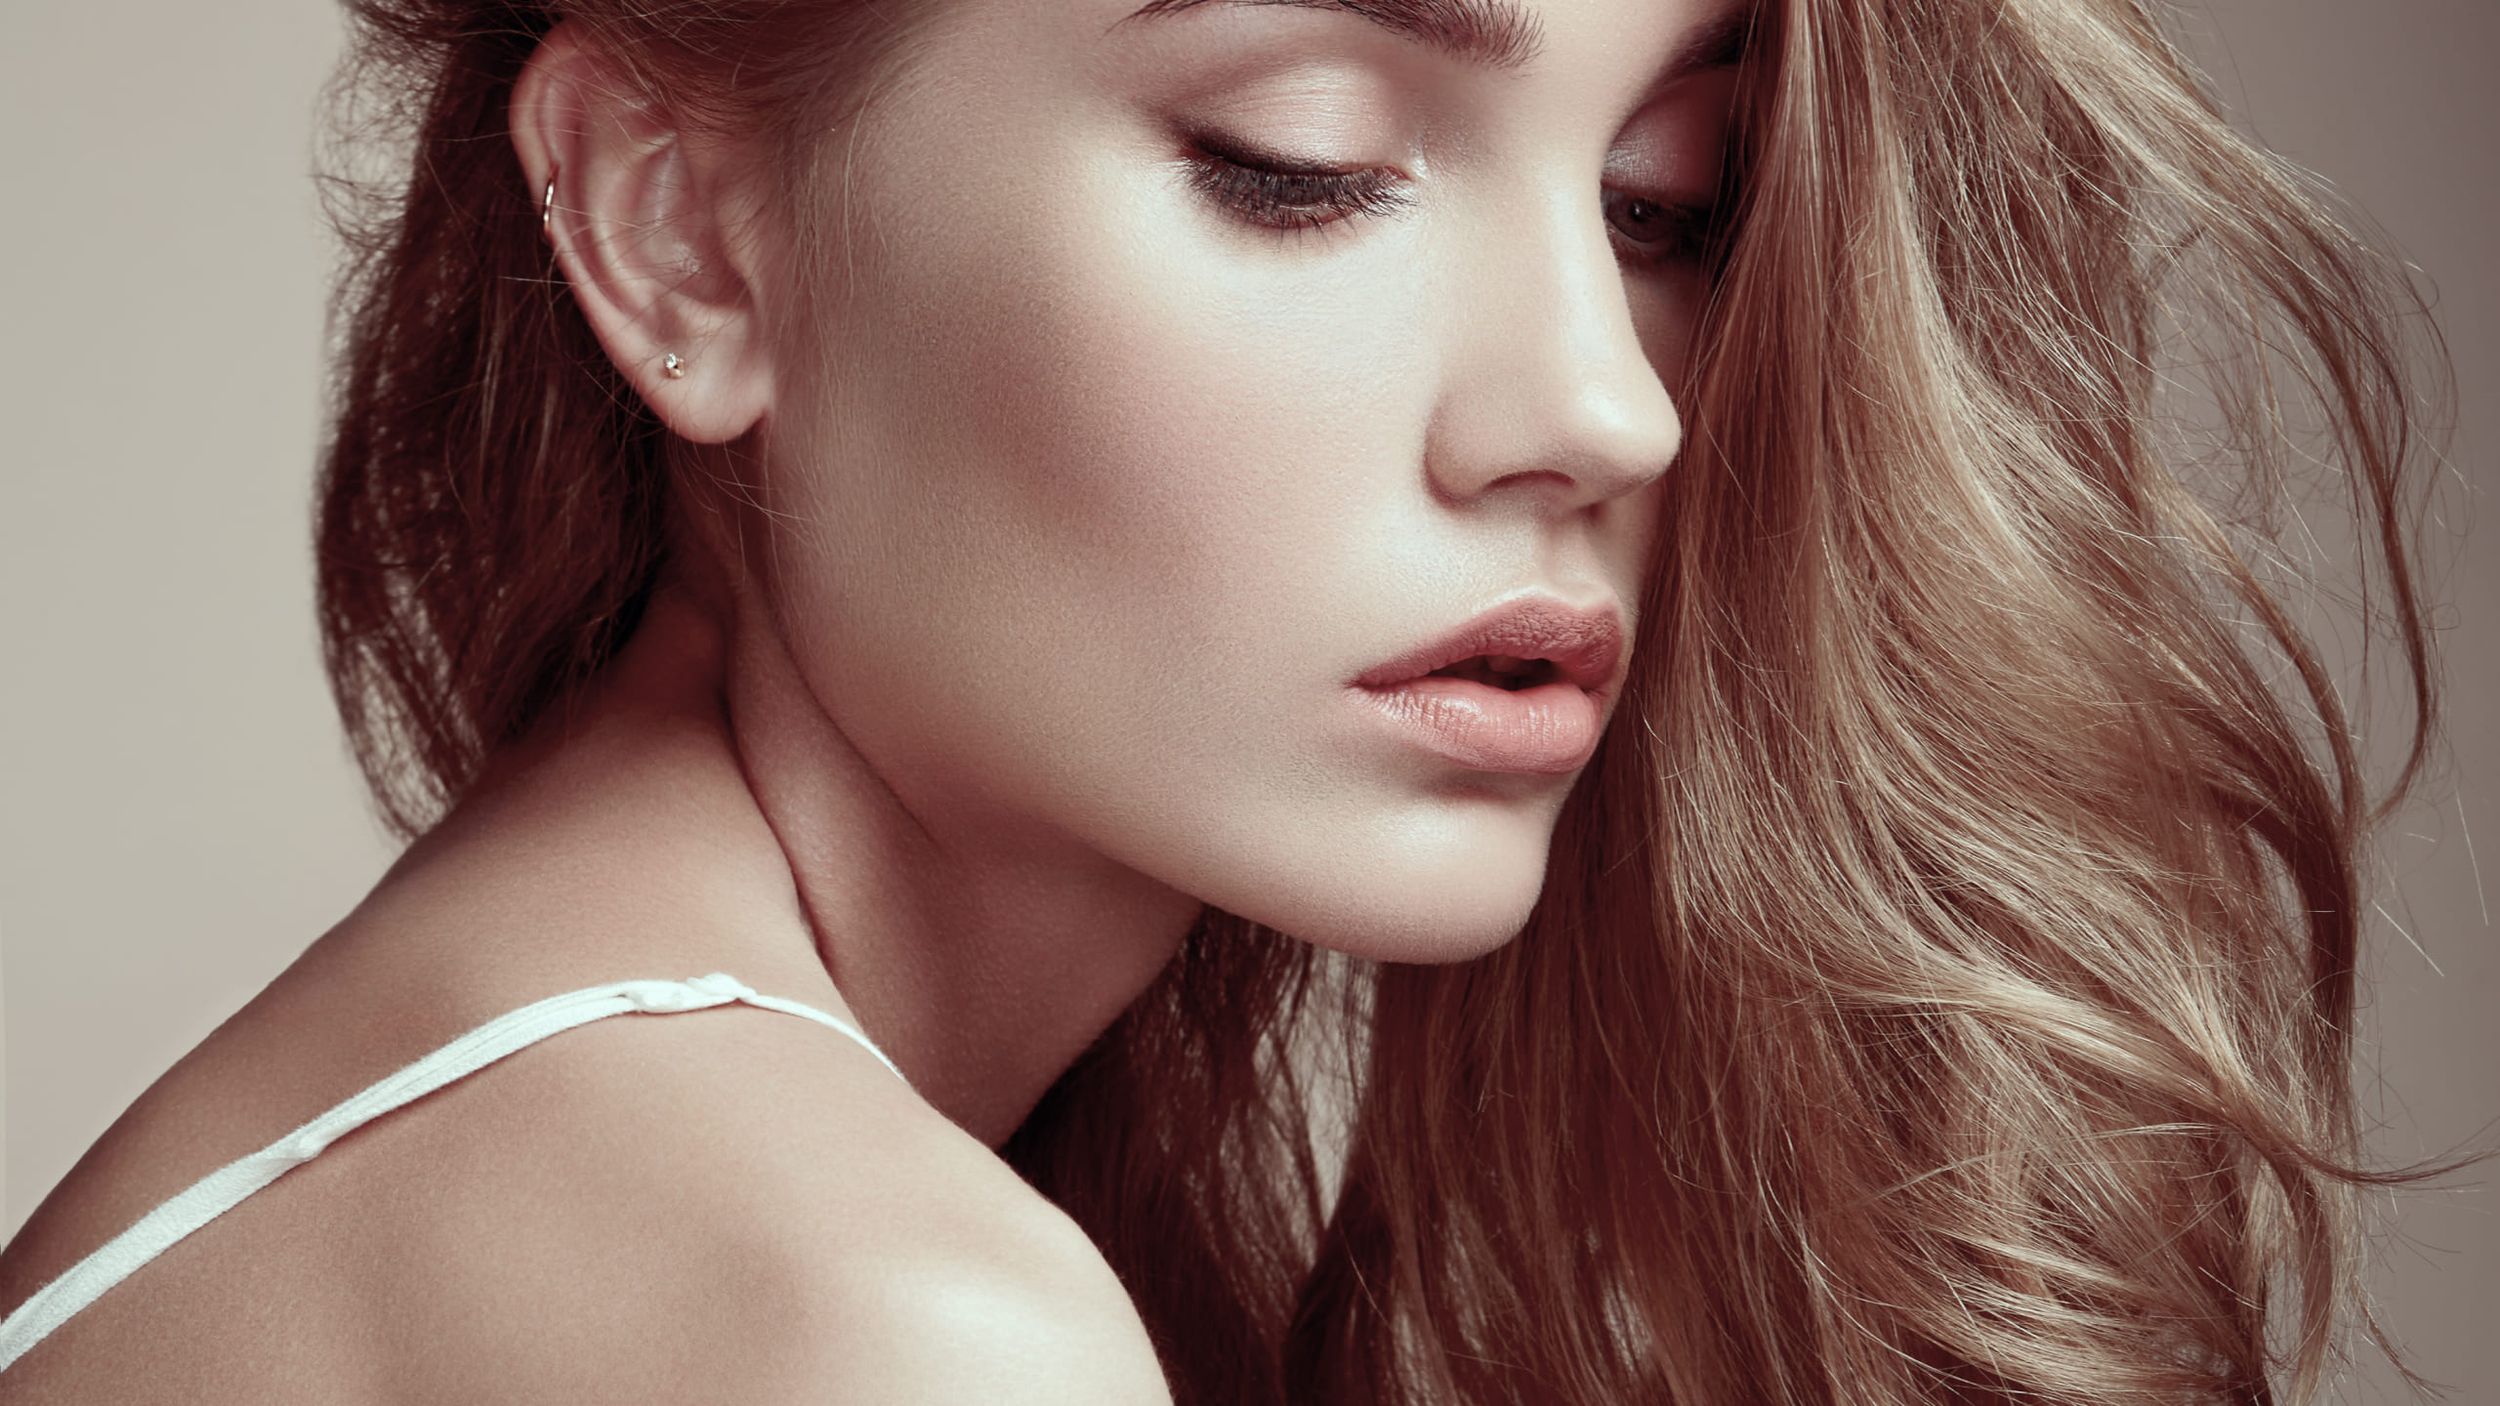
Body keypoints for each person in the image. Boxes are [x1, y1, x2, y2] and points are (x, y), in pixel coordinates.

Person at [0, 0, 2456, 1400]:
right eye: (1303, 163)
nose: (1600, 406)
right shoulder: (871, 1330)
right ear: (679, 233)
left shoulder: (534, 1126)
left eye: (1666, 201)